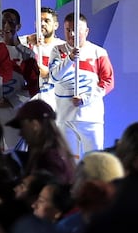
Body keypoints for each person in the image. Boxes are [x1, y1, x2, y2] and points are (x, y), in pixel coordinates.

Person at [49, 13, 114, 156]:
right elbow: (53, 76)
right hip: (65, 118)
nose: (72, 34)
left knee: (95, 161)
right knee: (69, 164)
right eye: (68, 29)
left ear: (86, 31)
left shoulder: (99, 52)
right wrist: (70, 58)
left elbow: (108, 82)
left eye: (76, 29)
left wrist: (85, 99)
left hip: (91, 119)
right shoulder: (57, 51)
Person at [0, 8, 39, 150]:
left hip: (14, 113)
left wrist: (11, 101)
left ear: (18, 26)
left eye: (11, 22)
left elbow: (33, 86)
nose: (7, 26)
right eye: (3, 22)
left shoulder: (27, 54)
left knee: (14, 157)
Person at [7, 99, 74, 183]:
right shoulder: (55, 154)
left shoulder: (49, 161)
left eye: (23, 126)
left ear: (35, 125)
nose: (21, 133)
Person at [25, 6, 64, 107]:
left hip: (54, 106)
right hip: (29, 104)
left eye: (47, 21)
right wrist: (27, 40)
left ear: (56, 25)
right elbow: (5, 47)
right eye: (39, 20)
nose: (42, 24)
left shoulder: (64, 48)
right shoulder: (26, 44)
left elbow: (70, 78)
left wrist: (49, 74)